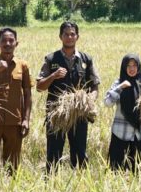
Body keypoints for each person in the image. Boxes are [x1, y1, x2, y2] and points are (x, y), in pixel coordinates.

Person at [36, 21, 100, 174]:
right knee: (54, 150)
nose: (69, 37)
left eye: (72, 34)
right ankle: (51, 180)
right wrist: (53, 75)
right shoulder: (51, 59)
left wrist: (88, 100)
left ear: (77, 36)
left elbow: (95, 86)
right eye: (66, 34)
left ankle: (80, 181)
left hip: (79, 112)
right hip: (56, 112)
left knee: (79, 151)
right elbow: (39, 86)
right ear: (60, 36)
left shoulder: (86, 59)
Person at [0, 27, 32, 171]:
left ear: (16, 43)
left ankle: (11, 185)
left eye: (11, 40)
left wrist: (26, 119)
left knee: (12, 165)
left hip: (15, 122)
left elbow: (27, 93)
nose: (7, 44)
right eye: (4, 41)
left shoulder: (22, 65)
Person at [104, 54, 141, 173]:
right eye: (128, 66)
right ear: (124, 67)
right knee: (116, 170)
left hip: (140, 133)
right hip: (121, 133)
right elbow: (107, 103)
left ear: (138, 67)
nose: (132, 69)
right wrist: (121, 87)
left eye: (134, 65)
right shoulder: (118, 83)